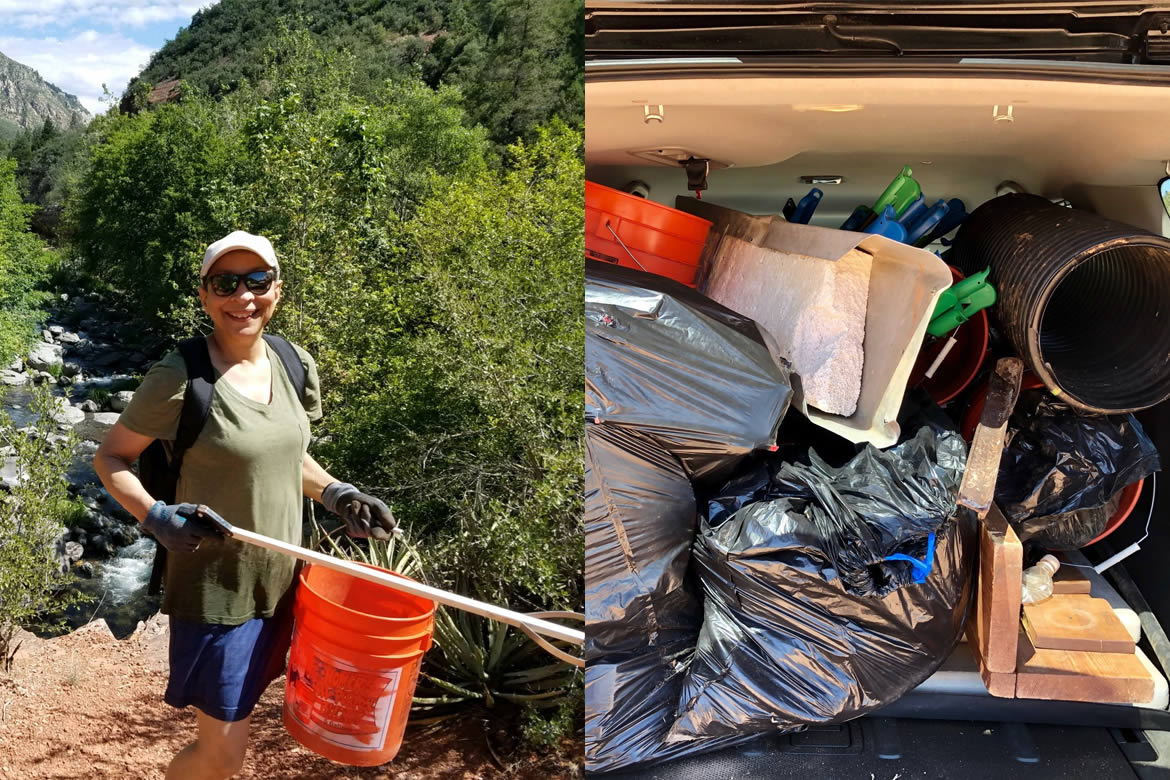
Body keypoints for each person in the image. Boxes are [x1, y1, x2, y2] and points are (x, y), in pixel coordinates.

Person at [93, 230, 396, 779]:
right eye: (225, 283)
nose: (243, 296)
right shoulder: (178, 376)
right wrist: (156, 517)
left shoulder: (293, 362)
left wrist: (337, 493)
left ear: (277, 290)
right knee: (222, 755)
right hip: (216, 592)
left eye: (256, 281)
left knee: (234, 737)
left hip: (281, 585)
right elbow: (110, 459)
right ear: (205, 296)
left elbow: (285, 458)